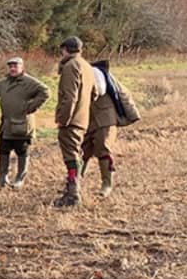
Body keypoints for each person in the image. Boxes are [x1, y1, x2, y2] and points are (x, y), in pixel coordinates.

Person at [0, 57, 50, 189]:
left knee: (22, 151)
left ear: (21, 67)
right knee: (3, 150)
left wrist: (31, 107)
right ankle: (3, 178)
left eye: (15, 66)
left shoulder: (29, 82)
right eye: (11, 66)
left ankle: (19, 179)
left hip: (21, 125)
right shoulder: (4, 82)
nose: (12, 68)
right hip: (6, 125)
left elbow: (45, 92)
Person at [82, 61, 139, 198]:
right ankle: (74, 182)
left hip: (105, 117)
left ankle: (106, 184)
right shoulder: (76, 74)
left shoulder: (99, 75)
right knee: (82, 150)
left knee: (103, 148)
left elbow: (121, 93)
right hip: (87, 118)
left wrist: (132, 114)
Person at [53, 36, 98, 207]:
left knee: (71, 156)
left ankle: (73, 194)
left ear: (64, 49)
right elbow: (95, 93)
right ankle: (72, 189)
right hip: (83, 118)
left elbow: (69, 96)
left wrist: (63, 119)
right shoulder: (87, 66)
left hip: (72, 120)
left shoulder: (70, 66)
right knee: (76, 154)